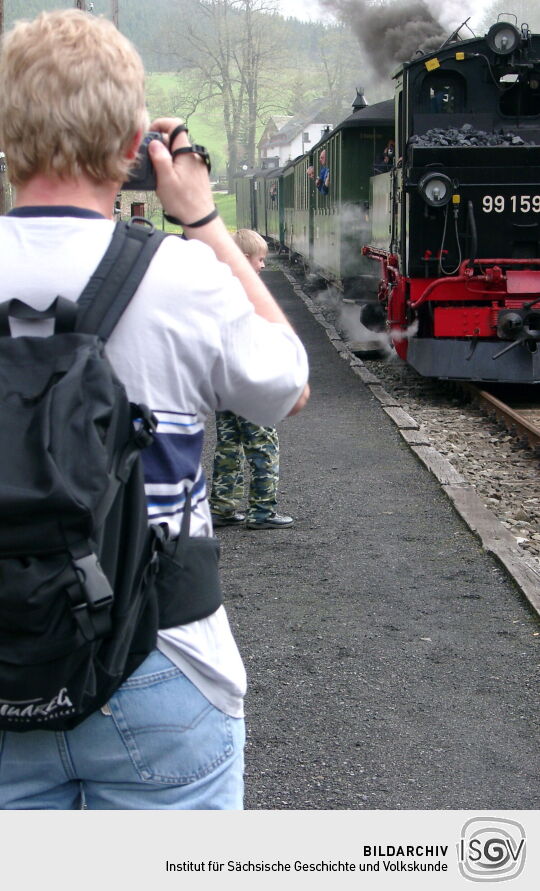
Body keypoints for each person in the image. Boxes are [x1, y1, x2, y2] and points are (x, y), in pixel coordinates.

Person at [0, 9, 309, 810]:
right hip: (161, 653)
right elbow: (288, 384)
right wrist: (202, 218)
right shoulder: (182, 275)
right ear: (135, 141)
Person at [210, 230, 294, 530]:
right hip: (249, 380)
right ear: (244, 259)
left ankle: (222, 507)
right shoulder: (248, 292)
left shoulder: (217, 288)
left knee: (229, 445)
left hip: (223, 382)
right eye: (260, 260)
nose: (262, 266)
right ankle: (263, 510)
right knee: (263, 444)